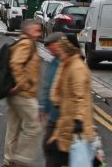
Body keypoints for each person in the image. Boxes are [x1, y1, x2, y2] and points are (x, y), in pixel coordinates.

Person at [46, 36, 94, 166]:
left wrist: (78, 120)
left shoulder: (77, 68)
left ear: (68, 50)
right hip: (65, 123)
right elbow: (57, 86)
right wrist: (55, 101)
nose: (59, 52)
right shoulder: (66, 64)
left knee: (70, 159)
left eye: (61, 50)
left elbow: (81, 97)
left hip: (75, 127)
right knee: (55, 154)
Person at [3, 19, 42, 167]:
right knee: (35, 126)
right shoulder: (26, 43)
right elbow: (16, 63)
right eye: (37, 30)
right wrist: (22, 84)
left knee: (13, 129)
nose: (39, 34)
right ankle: (21, 159)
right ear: (29, 30)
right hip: (23, 94)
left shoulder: (21, 42)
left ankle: (8, 161)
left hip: (14, 94)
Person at [40, 32, 66, 167]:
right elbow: (47, 86)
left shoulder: (69, 63)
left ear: (59, 44)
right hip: (54, 117)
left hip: (67, 118)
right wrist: (43, 107)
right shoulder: (53, 62)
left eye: (51, 46)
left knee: (57, 150)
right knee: (50, 147)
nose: (49, 49)